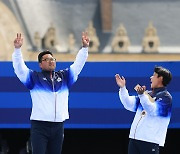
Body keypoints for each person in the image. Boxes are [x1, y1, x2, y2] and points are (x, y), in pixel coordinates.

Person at [12, 32, 89, 154]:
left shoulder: (64, 77)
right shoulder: (34, 77)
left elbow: (78, 65)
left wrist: (84, 49)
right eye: (46, 59)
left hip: (58, 126)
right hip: (40, 126)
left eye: (52, 59)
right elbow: (19, 69)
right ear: (40, 64)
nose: (50, 61)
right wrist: (17, 50)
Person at [115, 66, 172, 154]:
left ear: (160, 78)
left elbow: (152, 110)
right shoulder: (147, 94)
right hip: (134, 139)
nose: (151, 78)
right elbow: (128, 104)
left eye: (154, 75)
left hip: (149, 141)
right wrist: (123, 88)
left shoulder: (166, 97)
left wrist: (142, 96)